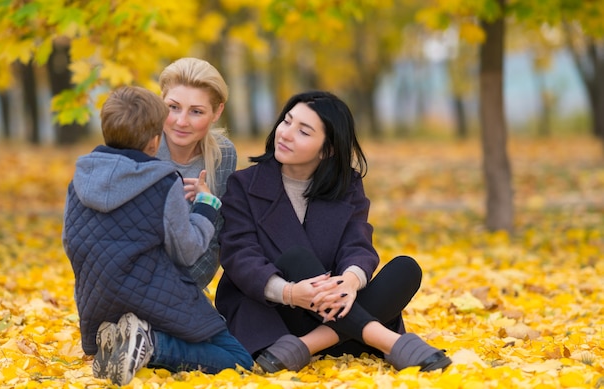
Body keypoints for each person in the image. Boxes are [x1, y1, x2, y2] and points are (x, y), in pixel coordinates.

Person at [215, 90, 452, 373]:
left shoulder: (347, 185)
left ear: (327, 149)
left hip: (332, 316)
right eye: (286, 121)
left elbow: (358, 244)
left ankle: (308, 346)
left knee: (406, 268)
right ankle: (386, 340)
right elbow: (240, 256)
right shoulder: (243, 184)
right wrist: (291, 293)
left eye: (303, 131)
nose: (286, 134)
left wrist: (350, 282)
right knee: (295, 259)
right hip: (278, 317)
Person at [62, 86, 253, 386]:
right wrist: (207, 203)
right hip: (153, 298)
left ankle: (127, 342)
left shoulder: (80, 179)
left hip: (95, 303)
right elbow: (188, 251)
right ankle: (151, 344)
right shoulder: (162, 183)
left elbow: (71, 242)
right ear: (155, 141)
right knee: (237, 359)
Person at [156, 57, 237, 290]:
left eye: (196, 111)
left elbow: (213, 244)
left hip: (185, 288)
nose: (181, 121)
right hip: (132, 285)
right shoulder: (138, 148)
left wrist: (180, 294)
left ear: (216, 112)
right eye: (173, 107)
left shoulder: (222, 155)